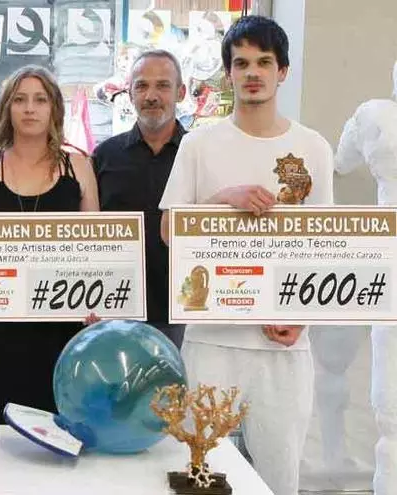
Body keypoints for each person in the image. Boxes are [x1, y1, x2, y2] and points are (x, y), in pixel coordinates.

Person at [158, 16, 333, 495]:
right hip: (211, 340)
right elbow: (170, 230)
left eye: (264, 62)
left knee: (280, 477)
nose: (252, 72)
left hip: (283, 346)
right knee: (198, 472)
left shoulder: (313, 147)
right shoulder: (198, 145)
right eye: (241, 63)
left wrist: (302, 316)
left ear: (283, 71)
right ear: (228, 73)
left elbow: (324, 244)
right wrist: (223, 199)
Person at [0, 65, 99, 424]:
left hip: (63, 322)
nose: (30, 108)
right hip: (2, 326)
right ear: (7, 108)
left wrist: (97, 302)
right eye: (20, 100)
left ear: (54, 108)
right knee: (0, 425)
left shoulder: (79, 166)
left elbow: (96, 248)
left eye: (40, 100)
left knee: (63, 424)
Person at [92, 49, 187, 348]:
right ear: (129, 93)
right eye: (142, 86)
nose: (151, 96)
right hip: (115, 312)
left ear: (181, 92)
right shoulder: (104, 156)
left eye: (163, 85)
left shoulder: (199, 153)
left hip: (185, 312)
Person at [335, 60, 397, 495]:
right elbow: (339, 162)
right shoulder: (376, 115)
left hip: (388, 265)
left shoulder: (373, 115)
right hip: (388, 265)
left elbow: (340, 161)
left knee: (389, 397)